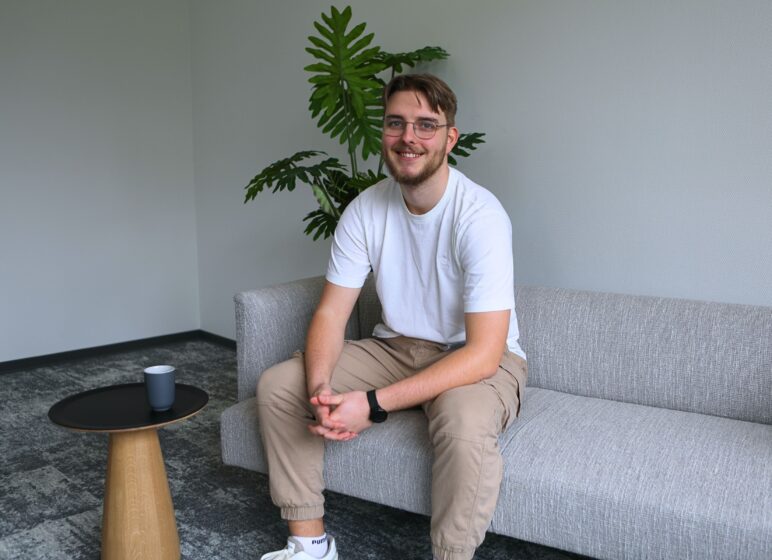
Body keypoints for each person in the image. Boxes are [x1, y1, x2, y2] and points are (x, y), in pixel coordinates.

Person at [256, 73, 527, 560]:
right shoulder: (364, 210)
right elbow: (332, 313)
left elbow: (485, 352)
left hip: (473, 359)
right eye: (396, 123)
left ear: (450, 138)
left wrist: (372, 405)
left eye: (426, 125)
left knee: (464, 423)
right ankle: (309, 544)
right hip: (395, 348)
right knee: (281, 385)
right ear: (382, 132)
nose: (409, 138)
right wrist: (320, 387)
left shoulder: (480, 216)